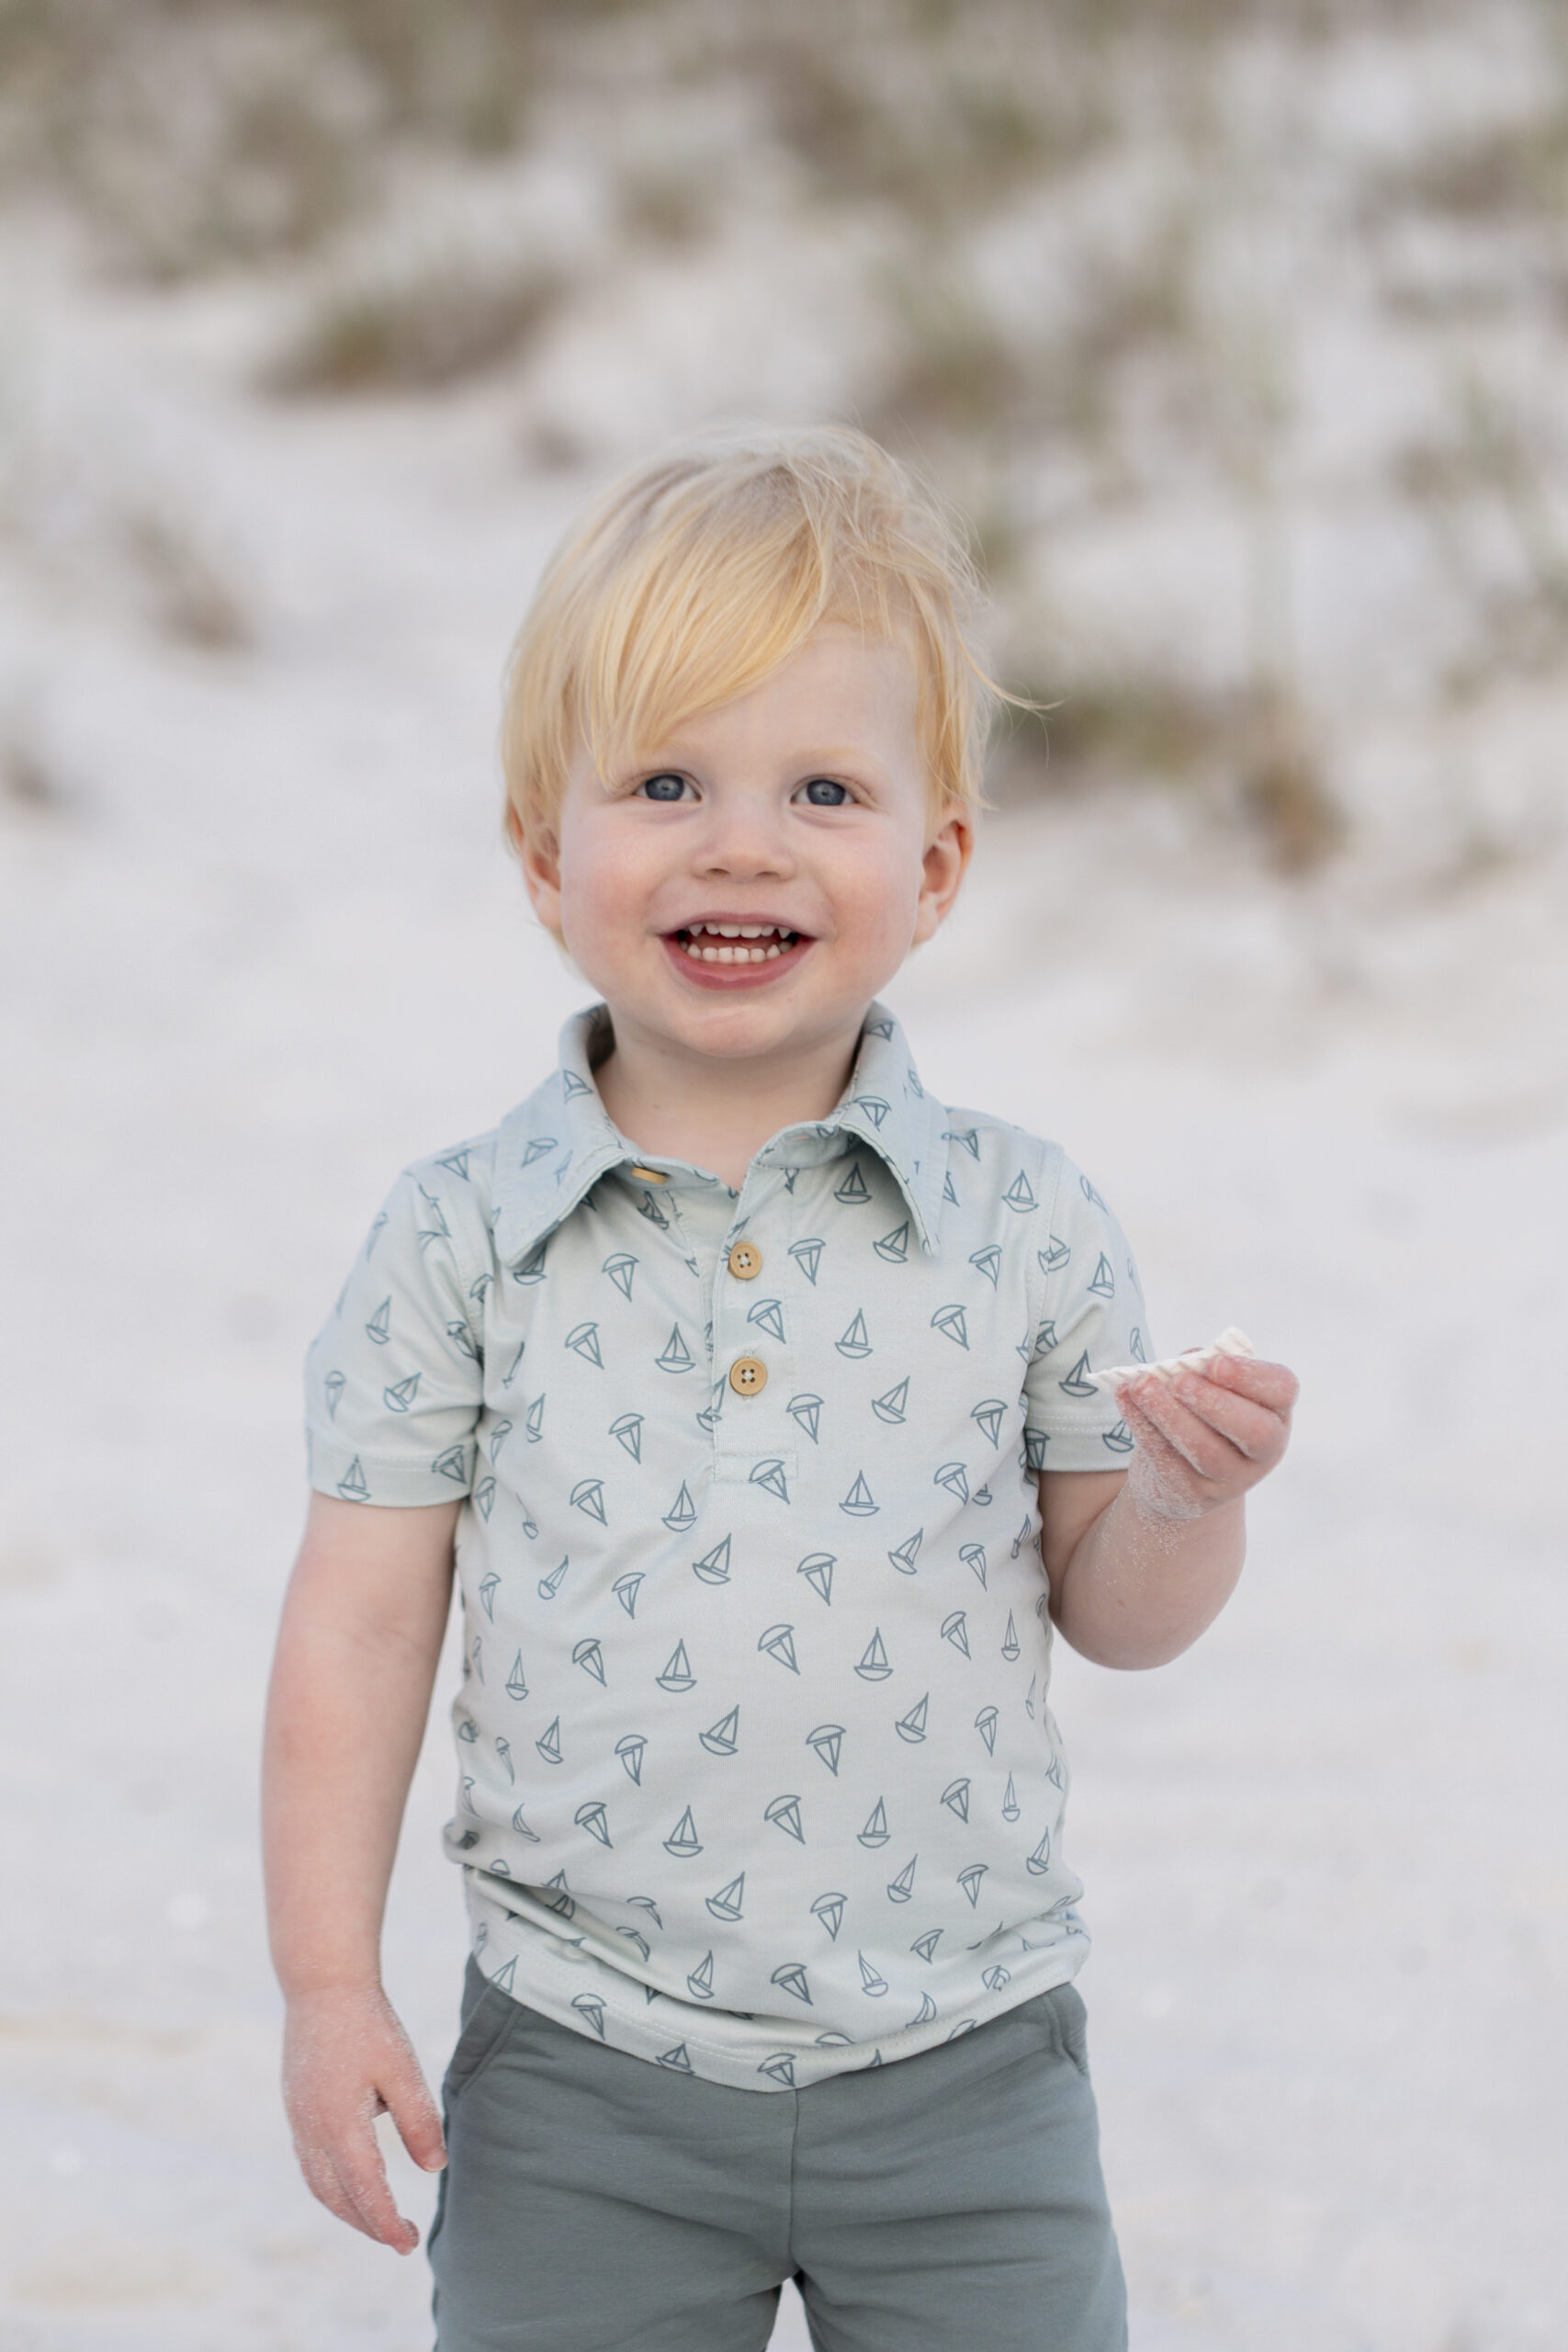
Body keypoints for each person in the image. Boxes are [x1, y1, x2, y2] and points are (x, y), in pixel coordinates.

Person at [262, 425, 1297, 2352]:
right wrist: (332, 1982)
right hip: (580, 2066)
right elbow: (357, 1623)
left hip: (971, 2061)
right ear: (538, 850)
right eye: (663, 780)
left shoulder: (1019, 1223)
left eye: (821, 787)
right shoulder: (461, 1239)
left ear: (935, 861)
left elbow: (1118, 1614)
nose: (739, 841)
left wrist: (1182, 1500)